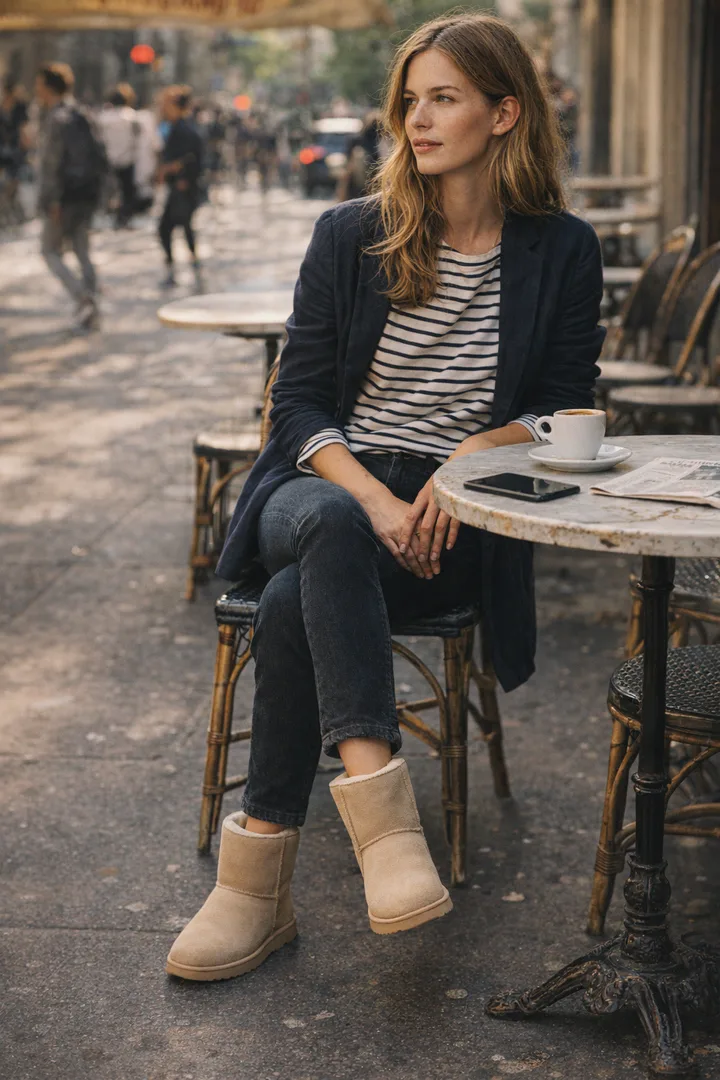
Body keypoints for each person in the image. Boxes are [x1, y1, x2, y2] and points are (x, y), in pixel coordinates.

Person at [166, 13, 604, 982]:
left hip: (453, 510)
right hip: (321, 484)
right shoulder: (352, 234)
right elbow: (299, 404)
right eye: (411, 99)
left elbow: (566, 404)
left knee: (294, 606)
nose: (418, 118)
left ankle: (254, 890)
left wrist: (461, 465)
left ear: (504, 113)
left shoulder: (562, 249)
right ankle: (384, 819)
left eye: (443, 98)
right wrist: (376, 499)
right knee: (327, 528)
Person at [35, 63, 108, 329]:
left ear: (47, 86)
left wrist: (51, 199)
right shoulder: (84, 113)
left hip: (63, 199)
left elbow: (52, 164)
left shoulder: (57, 118)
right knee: (81, 250)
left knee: (49, 250)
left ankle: (82, 297)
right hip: (85, 195)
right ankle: (92, 303)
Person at [157, 85, 204, 287]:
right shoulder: (176, 127)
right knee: (178, 228)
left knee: (168, 228)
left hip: (184, 188)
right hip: (179, 187)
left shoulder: (184, 129)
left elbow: (191, 158)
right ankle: (189, 267)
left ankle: (178, 270)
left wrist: (174, 171)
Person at [98, 83, 139, 228]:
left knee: (109, 190)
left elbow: (100, 140)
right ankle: (124, 217)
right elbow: (137, 137)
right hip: (127, 159)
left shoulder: (103, 118)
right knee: (127, 191)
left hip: (109, 159)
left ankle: (110, 216)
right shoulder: (132, 116)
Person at [0, 78, 29, 222]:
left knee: (13, 182)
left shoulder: (20, 106)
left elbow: (24, 128)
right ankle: (10, 212)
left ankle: (14, 212)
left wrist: (26, 147)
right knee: (7, 184)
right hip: (3, 149)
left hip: (16, 149)